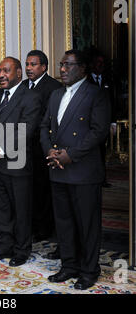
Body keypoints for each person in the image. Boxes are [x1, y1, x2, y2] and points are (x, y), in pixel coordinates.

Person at [40, 49, 111, 290]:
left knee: (87, 225)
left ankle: (89, 271)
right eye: (61, 64)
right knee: (64, 223)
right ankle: (69, 266)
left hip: (83, 171)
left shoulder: (96, 94)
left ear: (82, 69)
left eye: (68, 65)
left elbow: (98, 132)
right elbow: (44, 127)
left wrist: (70, 155)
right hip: (57, 168)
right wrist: (49, 150)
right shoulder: (55, 94)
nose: (62, 69)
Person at [0, 57, 41, 267]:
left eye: (6, 71)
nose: (0, 75)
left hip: (17, 164)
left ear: (18, 74)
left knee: (21, 209)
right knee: (0, 208)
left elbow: (26, 129)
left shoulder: (31, 97)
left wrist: (1, 150)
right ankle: (4, 246)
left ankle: (21, 250)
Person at [22, 50, 62, 248]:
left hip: (42, 147)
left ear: (44, 67)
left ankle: (44, 229)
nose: (29, 68)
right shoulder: (21, 86)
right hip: (23, 147)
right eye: (27, 64)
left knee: (43, 190)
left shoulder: (54, 87)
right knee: (26, 189)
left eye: (33, 64)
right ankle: (30, 227)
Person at [87, 52, 116, 188]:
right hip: (89, 125)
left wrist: (113, 122)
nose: (101, 65)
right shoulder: (86, 81)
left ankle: (102, 179)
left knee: (102, 153)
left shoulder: (108, 80)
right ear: (92, 65)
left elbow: (112, 102)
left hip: (103, 124)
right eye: (98, 63)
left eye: (102, 63)